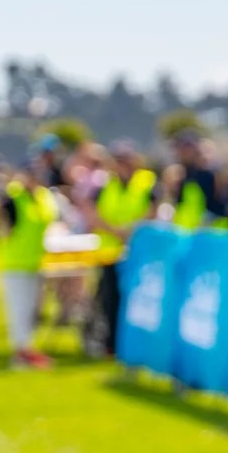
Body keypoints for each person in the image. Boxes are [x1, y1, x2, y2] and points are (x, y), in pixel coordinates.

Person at [89, 141, 159, 358]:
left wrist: (132, 230)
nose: (122, 164)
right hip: (110, 251)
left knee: (139, 299)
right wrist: (113, 230)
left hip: (139, 252)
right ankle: (113, 346)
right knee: (111, 300)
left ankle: (137, 345)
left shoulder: (146, 181)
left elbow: (153, 210)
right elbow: (92, 213)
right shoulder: (105, 184)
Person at [0, 161, 58, 369]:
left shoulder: (42, 197)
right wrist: (3, 229)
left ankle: (27, 348)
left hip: (34, 261)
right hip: (15, 262)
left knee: (31, 309)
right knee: (19, 309)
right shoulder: (13, 196)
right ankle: (21, 352)